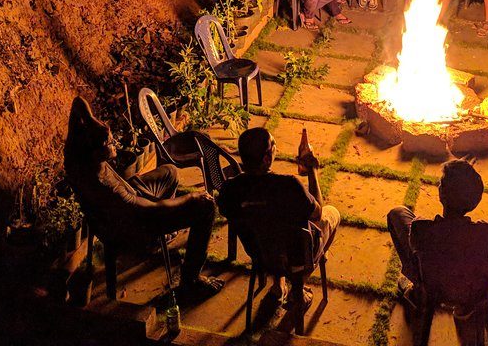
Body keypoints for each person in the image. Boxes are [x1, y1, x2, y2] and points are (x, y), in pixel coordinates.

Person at [63, 97, 224, 299]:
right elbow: (150, 210)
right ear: (97, 151)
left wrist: (91, 119)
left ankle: (161, 235)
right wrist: (189, 199)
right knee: (205, 207)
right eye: (110, 143)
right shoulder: (108, 190)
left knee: (170, 172)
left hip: (129, 198)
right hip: (131, 224)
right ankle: (190, 279)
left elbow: (78, 103)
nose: (115, 144)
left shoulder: (75, 156)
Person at [218, 127, 340, 312]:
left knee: (269, 229)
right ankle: (298, 289)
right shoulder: (289, 186)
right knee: (332, 214)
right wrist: (313, 170)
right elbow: (317, 213)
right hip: (295, 256)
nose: (276, 146)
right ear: (267, 158)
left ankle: (278, 285)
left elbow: (228, 210)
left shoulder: (230, 189)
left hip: (259, 253)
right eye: (273, 144)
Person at [386, 160, 488, 306]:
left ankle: (418, 289)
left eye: (441, 183)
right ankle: (473, 291)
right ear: (475, 201)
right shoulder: (485, 233)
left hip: (431, 284)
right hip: (469, 288)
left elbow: (413, 241)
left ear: (441, 194)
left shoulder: (421, 228)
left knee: (397, 213)